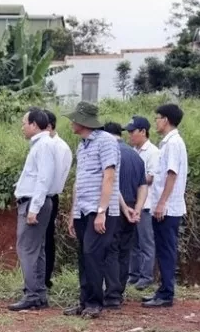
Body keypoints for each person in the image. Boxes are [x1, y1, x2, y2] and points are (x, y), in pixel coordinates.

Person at [63, 101, 121, 319]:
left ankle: (95, 303)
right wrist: (73, 214)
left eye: (73, 120)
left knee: (93, 254)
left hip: (100, 210)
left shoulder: (106, 142)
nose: (70, 123)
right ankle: (84, 301)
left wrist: (101, 211)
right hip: (83, 210)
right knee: (83, 256)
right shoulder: (82, 145)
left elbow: (109, 176)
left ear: (82, 122)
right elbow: (80, 181)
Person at [9, 108, 57, 311]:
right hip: (35, 202)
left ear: (34, 125)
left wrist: (34, 208)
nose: (22, 127)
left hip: (33, 203)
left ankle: (32, 294)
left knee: (27, 249)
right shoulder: (43, 144)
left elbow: (43, 179)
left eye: (24, 123)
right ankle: (38, 293)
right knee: (37, 250)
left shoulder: (43, 146)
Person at [143, 104, 188, 308]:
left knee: (166, 250)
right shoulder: (168, 143)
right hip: (165, 205)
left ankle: (167, 293)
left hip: (168, 207)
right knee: (162, 249)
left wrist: (162, 202)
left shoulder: (173, 143)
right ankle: (163, 290)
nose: (156, 122)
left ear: (166, 120)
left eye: (158, 118)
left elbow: (172, 174)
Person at [102, 122, 147, 309]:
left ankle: (111, 294)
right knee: (124, 250)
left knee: (111, 249)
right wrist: (137, 208)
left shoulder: (110, 153)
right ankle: (118, 291)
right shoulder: (136, 156)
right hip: (131, 206)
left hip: (114, 206)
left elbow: (110, 183)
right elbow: (143, 185)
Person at [124, 116, 161, 290]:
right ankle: (133, 275)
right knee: (133, 243)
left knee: (146, 242)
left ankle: (146, 276)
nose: (130, 135)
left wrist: (134, 179)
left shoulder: (152, 152)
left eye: (133, 131)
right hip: (133, 203)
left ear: (143, 132)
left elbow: (151, 177)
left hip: (146, 205)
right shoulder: (133, 151)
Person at [43, 109, 73, 289]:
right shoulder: (47, 145)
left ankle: (45, 279)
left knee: (46, 239)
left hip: (48, 196)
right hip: (44, 196)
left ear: (47, 126)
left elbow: (52, 177)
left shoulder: (58, 147)